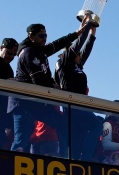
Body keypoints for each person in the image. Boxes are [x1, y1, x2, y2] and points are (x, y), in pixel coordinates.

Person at [9, 19, 89, 152]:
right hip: (22, 103)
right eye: (41, 36)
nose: (44, 38)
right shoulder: (29, 52)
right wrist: (54, 86)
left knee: (63, 124)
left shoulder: (39, 51)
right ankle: (8, 168)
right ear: (31, 37)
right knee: (20, 142)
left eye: (46, 35)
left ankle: (65, 158)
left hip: (35, 102)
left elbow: (56, 44)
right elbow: (38, 81)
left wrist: (77, 33)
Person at [55, 24, 97, 94]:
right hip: (69, 100)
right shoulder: (64, 64)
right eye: (78, 54)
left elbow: (86, 50)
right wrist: (88, 25)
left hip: (80, 101)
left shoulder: (77, 64)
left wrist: (92, 32)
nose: (80, 57)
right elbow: (79, 43)